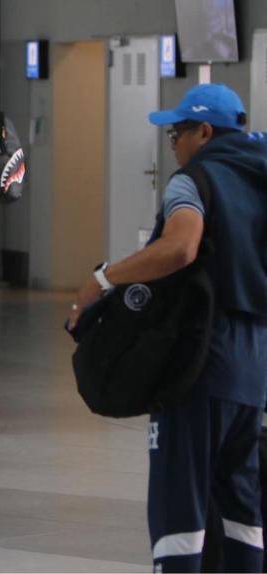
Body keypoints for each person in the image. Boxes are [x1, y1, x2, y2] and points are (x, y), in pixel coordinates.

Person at [69, 84, 267, 573]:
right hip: (255, 364)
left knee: (179, 507)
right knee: (242, 508)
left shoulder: (194, 181)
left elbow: (180, 248)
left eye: (177, 132)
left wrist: (103, 278)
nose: (172, 144)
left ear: (204, 132)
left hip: (198, 362)